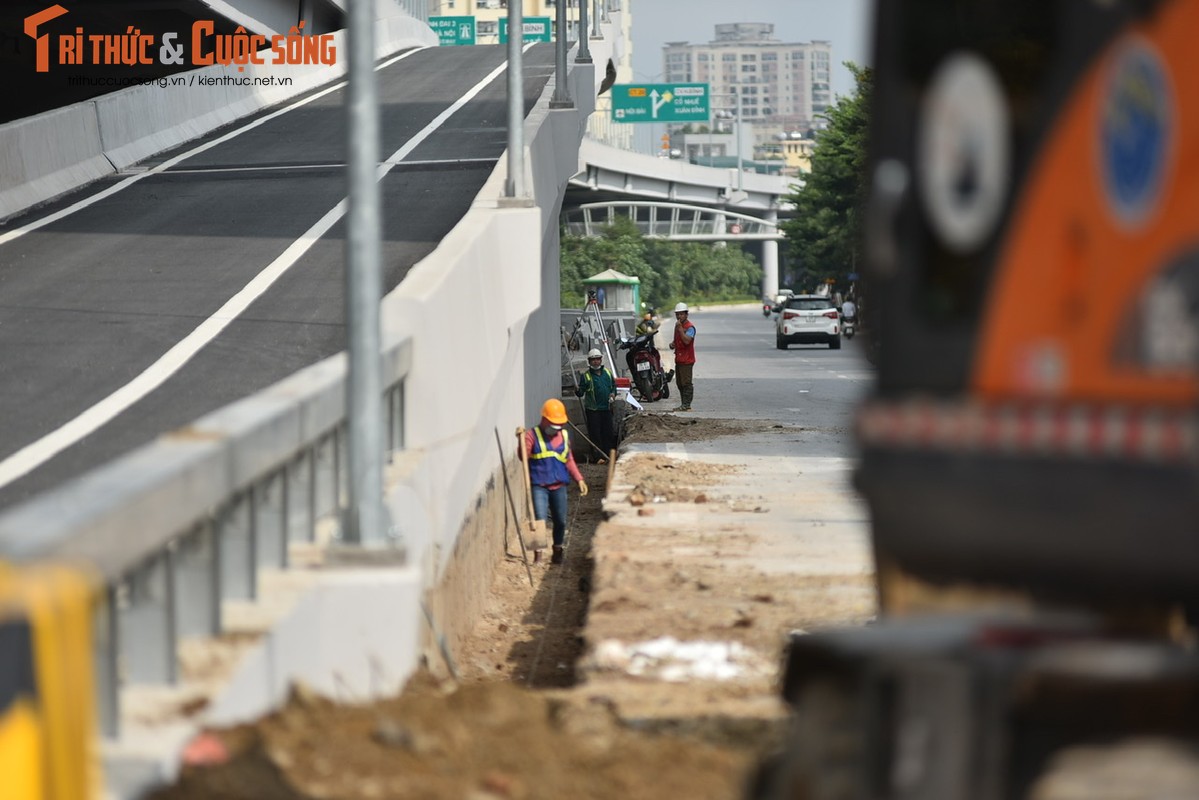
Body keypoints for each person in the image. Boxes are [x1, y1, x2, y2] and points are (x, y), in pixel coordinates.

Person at [520, 399, 588, 564]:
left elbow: (569, 459)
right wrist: (522, 443)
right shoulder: (532, 435)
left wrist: (579, 479)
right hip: (539, 486)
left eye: (559, 425)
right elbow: (523, 456)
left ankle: (558, 549)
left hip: (559, 485)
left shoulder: (563, 436)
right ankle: (538, 555)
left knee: (560, 520)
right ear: (544, 420)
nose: (555, 428)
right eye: (552, 424)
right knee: (539, 519)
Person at [576, 348, 617, 462]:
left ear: (601, 360)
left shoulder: (607, 373)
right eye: (593, 360)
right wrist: (577, 390)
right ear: (589, 361)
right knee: (596, 434)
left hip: (606, 408)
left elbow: (613, 386)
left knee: (608, 432)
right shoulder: (586, 376)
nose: (596, 362)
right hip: (593, 410)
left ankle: (609, 455)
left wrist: (613, 394)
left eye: (597, 359)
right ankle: (598, 457)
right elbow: (581, 392)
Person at [669, 301, 696, 411]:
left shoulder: (690, 328)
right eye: (677, 314)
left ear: (686, 314)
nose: (679, 316)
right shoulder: (678, 326)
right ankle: (683, 404)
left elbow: (686, 341)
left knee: (686, 383)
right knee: (680, 383)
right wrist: (673, 344)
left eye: (681, 314)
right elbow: (678, 340)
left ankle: (687, 405)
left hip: (687, 359)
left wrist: (680, 329)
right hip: (679, 358)